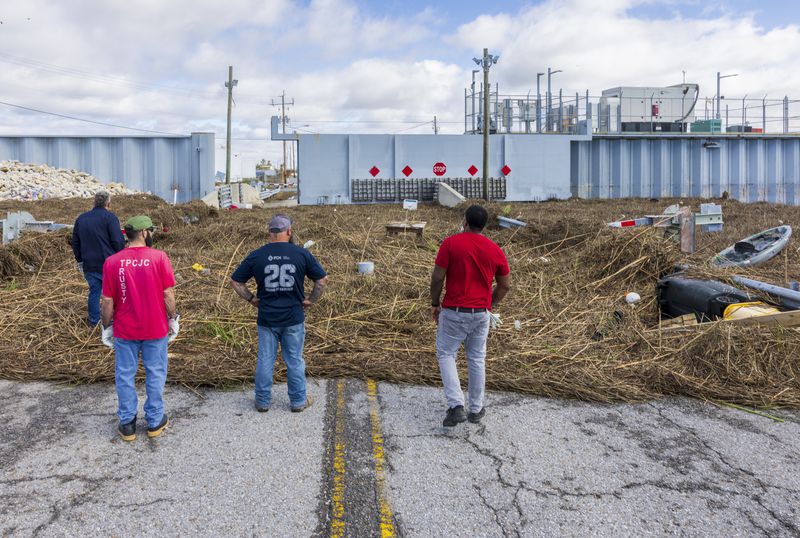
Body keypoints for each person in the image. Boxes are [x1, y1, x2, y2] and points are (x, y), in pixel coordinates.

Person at [230, 214, 327, 413]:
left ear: (269, 233)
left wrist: (251, 299)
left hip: (267, 317)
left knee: (266, 359)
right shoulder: (301, 254)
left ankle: (263, 401)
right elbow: (321, 280)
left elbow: (236, 281)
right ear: (289, 231)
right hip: (293, 317)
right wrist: (311, 300)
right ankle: (298, 401)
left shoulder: (257, 255)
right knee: (294, 359)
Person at [430, 205, 511, 427]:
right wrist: (489, 305)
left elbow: (437, 278)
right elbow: (505, 286)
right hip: (480, 314)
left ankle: (456, 405)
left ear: (465, 221)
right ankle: (476, 409)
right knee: (476, 358)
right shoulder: (495, 249)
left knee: (446, 353)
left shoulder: (450, 244)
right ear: (484, 225)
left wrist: (435, 303)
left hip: (454, 311)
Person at [100, 215, 179, 441]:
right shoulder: (159, 258)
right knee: (156, 372)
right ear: (144, 233)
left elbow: (107, 300)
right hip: (155, 328)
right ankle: (154, 421)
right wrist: (172, 317)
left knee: (124, 374)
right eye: (151, 231)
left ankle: (127, 424)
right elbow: (167, 294)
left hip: (126, 330)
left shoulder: (112, 262)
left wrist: (106, 326)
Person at [72, 191, 125, 326]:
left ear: (94, 202)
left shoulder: (81, 219)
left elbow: (75, 242)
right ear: (108, 203)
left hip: (89, 263)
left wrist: (80, 260)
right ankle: (114, 319)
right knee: (113, 292)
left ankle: (94, 321)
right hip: (109, 263)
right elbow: (118, 241)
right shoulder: (110, 218)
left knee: (94, 291)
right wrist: (121, 256)